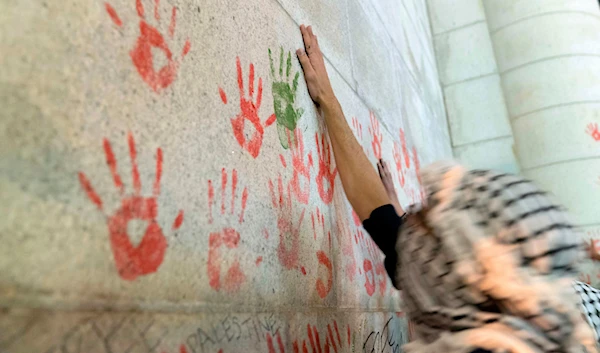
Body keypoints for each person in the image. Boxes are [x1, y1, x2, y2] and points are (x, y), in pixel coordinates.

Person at [295, 24, 598, 353]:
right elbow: (384, 221)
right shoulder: (468, 283)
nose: (415, 216)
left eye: (427, 222)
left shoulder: (458, 293)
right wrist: (328, 99)